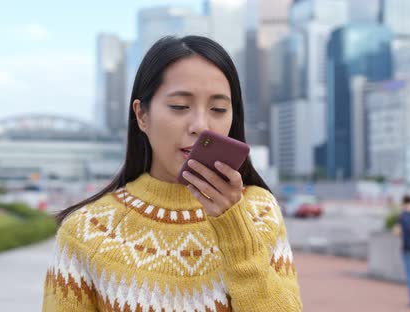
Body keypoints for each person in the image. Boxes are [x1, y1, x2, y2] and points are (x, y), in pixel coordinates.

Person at [42, 36, 302, 312]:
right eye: (179, 106)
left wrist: (235, 226)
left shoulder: (259, 212)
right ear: (141, 115)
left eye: (218, 109)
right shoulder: (86, 230)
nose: (201, 125)